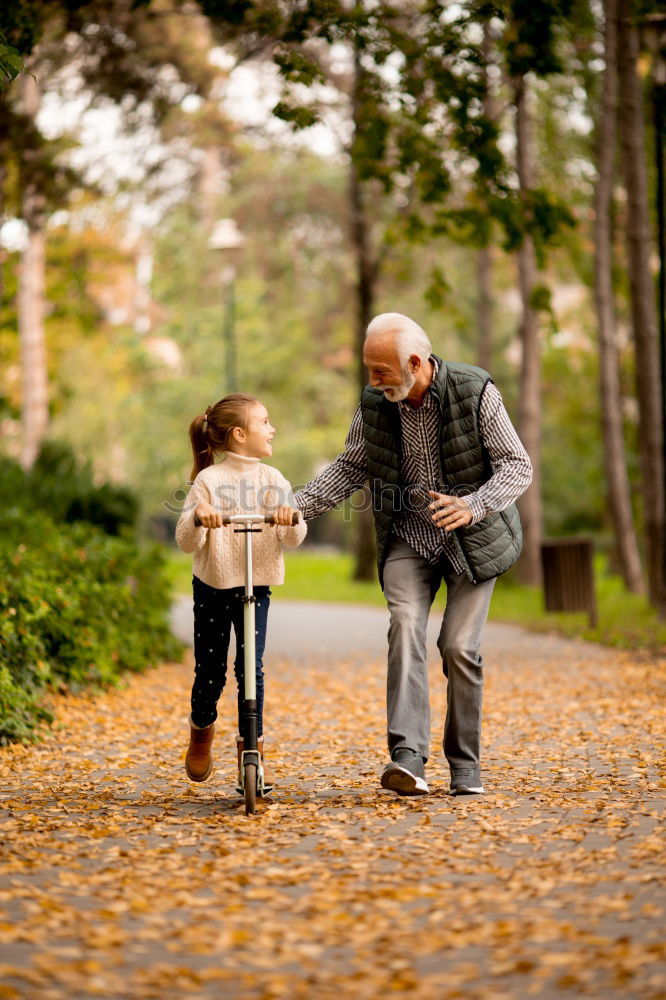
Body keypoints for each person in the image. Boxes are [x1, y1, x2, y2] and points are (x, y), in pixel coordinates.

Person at [295, 313, 532, 797]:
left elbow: (517, 466)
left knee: (459, 647)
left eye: (380, 370)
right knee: (405, 625)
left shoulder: (475, 391)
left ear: (416, 363)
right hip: (410, 536)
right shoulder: (375, 403)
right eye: (368, 368)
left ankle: (465, 765)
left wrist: (472, 504)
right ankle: (407, 757)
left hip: (474, 536)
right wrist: (296, 507)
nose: (372, 379)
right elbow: (350, 466)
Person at [175, 393, 306, 796]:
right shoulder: (209, 480)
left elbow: (295, 536)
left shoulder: (273, 480)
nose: (272, 429)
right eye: (265, 422)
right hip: (213, 586)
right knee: (210, 671)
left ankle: (253, 750)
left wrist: (290, 514)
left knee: (252, 667)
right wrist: (200, 516)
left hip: (256, 586)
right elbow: (184, 539)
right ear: (239, 434)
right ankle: (201, 730)